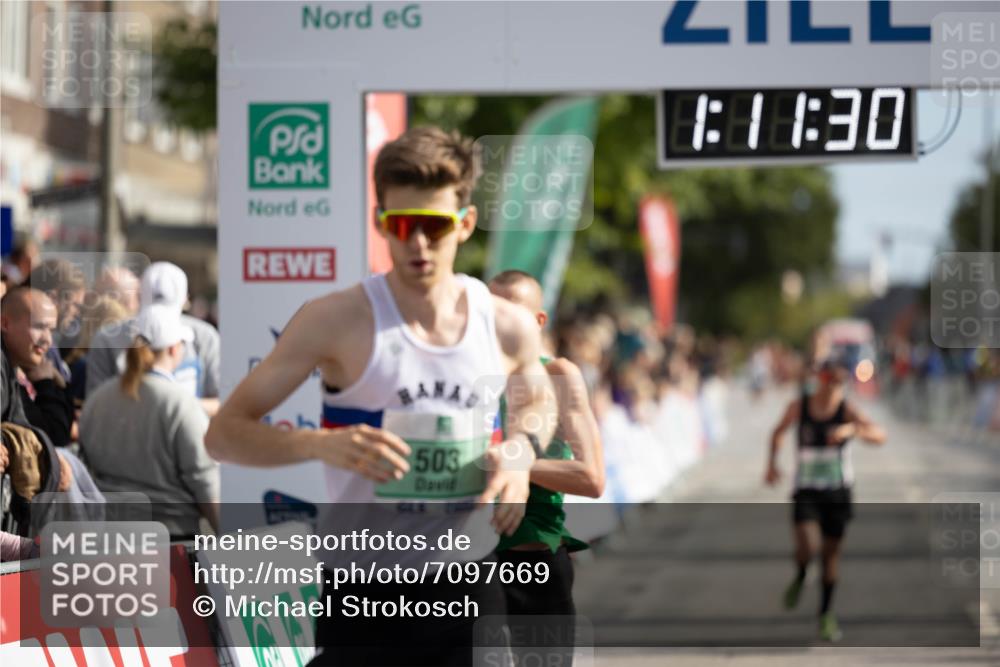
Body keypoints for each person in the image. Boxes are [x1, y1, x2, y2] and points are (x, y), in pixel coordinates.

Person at [206, 126, 556, 666]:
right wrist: (320, 445)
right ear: (380, 223)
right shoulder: (336, 320)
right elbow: (224, 435)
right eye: (402, 225)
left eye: (434, 226)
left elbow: (538, 401)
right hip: (363, 589)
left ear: (464, 224)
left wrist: (520, 451)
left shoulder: (506, 325)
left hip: (467, 581)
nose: (418, 244)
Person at [488, 270, 604, 666]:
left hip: (533, 562)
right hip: (469, 564)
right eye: (492, 311)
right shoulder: (461, 377)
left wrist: (513, 461)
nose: (500, 322)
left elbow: (591, 478)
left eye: (512, 311)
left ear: (539, 321)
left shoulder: (558, 376)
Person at [765, 353, 887, 642]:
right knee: (808, 546)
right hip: (807, 489)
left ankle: (826, 614)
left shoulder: (847, 410)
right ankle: (801, 572)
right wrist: (771, 464)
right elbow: (778, 431)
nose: (833, 385)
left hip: (837, 491)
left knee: (831, 556)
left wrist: (853, 430)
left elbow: (880, 435)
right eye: (828, 379)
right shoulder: (800, 406)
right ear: (819, 379)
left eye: (839, 381)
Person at [80, 304, 219, 537]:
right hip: (172, 536)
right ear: (174, 349)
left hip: (109, 536)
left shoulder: (97, 400)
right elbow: (204, 480)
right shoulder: (180, 404)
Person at [86, 262, 221, 416]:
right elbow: (95, 405)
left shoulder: (205, 337)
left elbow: (221, 402)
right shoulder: (106, 339)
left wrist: (169, 405)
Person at [1, 287, 75, 447]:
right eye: (39, 327)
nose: (47, 339)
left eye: (51, 330)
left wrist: (51, 385)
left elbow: (54, 435)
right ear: (5, 324)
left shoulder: (10, 368)